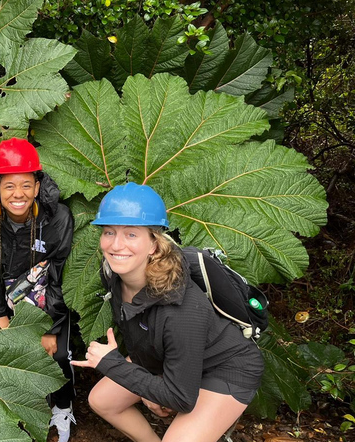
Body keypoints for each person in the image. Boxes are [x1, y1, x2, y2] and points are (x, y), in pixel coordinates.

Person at [72, 183, 264, 442]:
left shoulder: (180, 307)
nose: (116, 245)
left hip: (225, 367)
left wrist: (115, 365)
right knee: (101, 400)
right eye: (109, 232)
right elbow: (143, 340)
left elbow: (180, 399)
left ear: (153, 244)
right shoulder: (114, 277)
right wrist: (144, 386)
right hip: (176, 361)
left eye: (131, 235)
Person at [0, 138, 76, 442]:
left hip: (46, 289)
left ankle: (63, 406)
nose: (17, 194)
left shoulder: (57, 218)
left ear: (36, 186)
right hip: (6, 291)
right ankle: (20, 408)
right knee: (2, 352)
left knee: (56, 354)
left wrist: (52, 326)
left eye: (25, 185)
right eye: (9, 186)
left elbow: (59, 274)